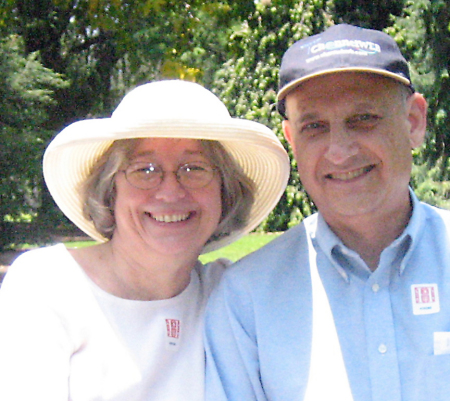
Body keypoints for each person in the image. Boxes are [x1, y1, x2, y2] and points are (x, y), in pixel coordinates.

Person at [0, 80, 290, 401]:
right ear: (110, 190)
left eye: (194, 168)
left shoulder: (229, 295)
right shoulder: (48, 286)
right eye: (145, 170)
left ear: (225, 191)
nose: (170, 191)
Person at [204, 24, 450, 401]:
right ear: (292, 140)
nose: (339, 151)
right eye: (315, 126)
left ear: (414, 121)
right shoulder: (246, 298)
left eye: (363, 118)